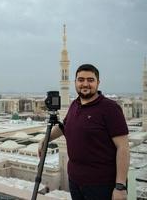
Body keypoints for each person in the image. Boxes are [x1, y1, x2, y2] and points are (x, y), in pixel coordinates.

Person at [38, 64, 129, 200]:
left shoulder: (110, 108)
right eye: (80, 80)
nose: (85, 84)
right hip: (75, 182)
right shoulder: (75, 104)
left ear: (98, 82)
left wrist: (120, 186)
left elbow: (123, 148)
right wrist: (45, 139)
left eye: (90, 80)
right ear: (75, 82)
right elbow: (64, 126)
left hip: (101, 185)